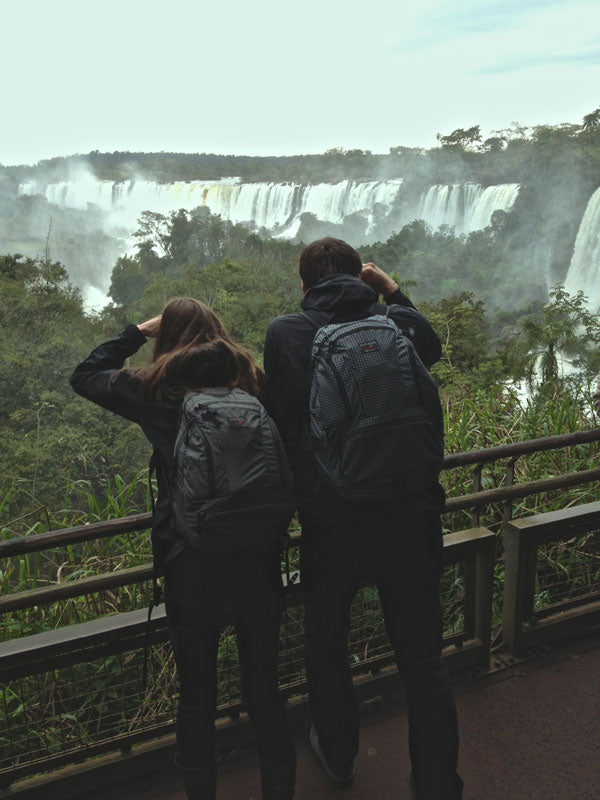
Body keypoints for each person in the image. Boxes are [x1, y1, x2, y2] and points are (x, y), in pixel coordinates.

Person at [70, 298, 296, 800]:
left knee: (197, 695)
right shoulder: (252, 380)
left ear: (165, 335)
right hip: (258, 553)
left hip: (189, 558)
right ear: (217, 328)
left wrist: (135, 332)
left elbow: (86, 374)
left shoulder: (153, 387)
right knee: (264, 688)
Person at [264, 237, 463, 800]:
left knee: (327, 646)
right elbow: (433, 350)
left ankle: (340, 755)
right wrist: (393, 291)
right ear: (362, 276)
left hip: (332, 519)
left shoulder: (286, 333)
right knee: (424, 660)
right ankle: (438, 785)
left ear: (303, 284)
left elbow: (285, 419)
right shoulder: (396, 324)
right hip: (410, 511)